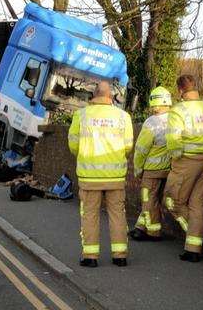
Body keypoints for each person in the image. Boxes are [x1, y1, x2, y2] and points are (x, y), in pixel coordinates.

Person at [68, 80, 133, 268]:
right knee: (118, 215)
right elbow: (128, 145)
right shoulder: (123, 116)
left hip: (90, 177)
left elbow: (73, 144)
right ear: (110, 96)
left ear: (93, 96)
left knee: (89, 215)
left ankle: (90, 257)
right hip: (115, 176)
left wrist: (85, 155)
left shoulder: (81, 115)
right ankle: (120, 256)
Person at [164, 75, 203, 262]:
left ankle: (202, 235)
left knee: (172, 201)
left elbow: (173, 141)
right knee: (197, 204)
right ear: (196, 88)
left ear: (180, 90)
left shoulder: (177, 111)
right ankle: (193, 249)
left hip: (186, 162)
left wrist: (176, 157)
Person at [129, 87, 172, 241]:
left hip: (152, 170)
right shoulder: (175, 119)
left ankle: (153, 232)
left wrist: (138, 169)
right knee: (153, 200)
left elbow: (141, 149)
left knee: (148, 199)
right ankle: (140, 228)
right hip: (168, 170)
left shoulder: (151, 122)